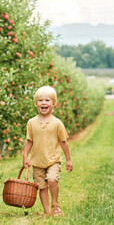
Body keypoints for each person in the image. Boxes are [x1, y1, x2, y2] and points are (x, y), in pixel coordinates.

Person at [22, 85, 73, 216]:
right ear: (36, 104)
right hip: (37, 161)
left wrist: (68, 160)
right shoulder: (31, 123)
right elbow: (29, 141)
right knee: (41, 187)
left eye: (47, 100)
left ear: (54, 103)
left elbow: (64, 142)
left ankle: (55, 204)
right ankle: (47, 212)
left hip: (53, 160)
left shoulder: (57, 123)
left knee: (51, 180)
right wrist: (25, 156)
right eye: (40, 100)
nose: (43, 103)